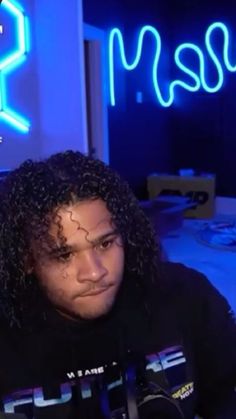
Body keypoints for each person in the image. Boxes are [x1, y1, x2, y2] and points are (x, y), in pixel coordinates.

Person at [0, 150, 235, 419]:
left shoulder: (186, 297)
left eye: (105, 243)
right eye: (63, 255)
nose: (94, 272)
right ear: (28, 260)